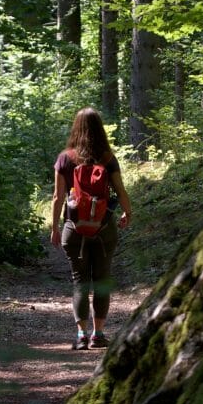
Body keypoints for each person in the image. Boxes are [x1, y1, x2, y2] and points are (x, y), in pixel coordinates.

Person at [50, 107, 132, 350]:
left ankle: (81, 335)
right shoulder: (108, 158)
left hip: (74, 228)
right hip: (104, 228)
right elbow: (120, 190)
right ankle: (98, 334)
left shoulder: (65, 158)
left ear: (76, 128)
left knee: (80, 282)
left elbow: (57, 196)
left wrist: (55, 227)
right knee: (102, 280)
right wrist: (128, 212)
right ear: (99, 129)